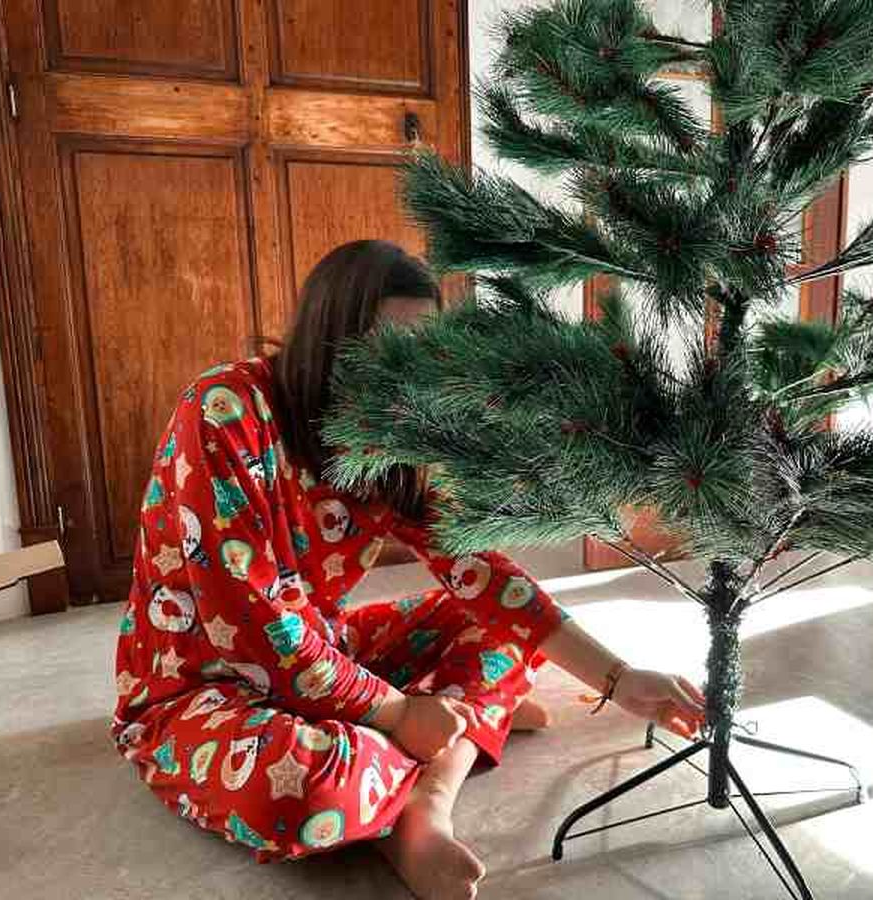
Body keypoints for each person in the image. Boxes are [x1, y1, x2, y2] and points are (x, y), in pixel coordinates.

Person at [111, 240, 706, 900]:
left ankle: (428, 803)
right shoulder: (224, 410)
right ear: (330, 337)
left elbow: (482, 571)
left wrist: (619, 679)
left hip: (327, 653)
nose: (404, 372)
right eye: (384, 348)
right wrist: (395, 712)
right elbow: (251, 625)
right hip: (199, 688)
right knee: (298, 793)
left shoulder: (396, 434)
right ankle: (465, 728)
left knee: (506, 629)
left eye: (419, 350)